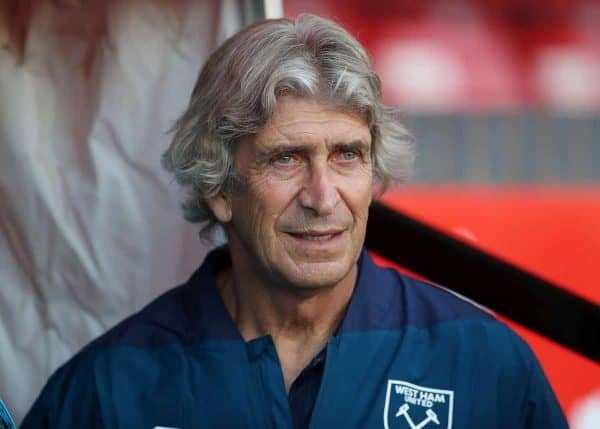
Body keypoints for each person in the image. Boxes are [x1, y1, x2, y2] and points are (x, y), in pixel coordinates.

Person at [22, 14, 568, 429]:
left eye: (348, 155)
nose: (322, 196)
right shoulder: (110, 387)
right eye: (286, 158)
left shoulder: (481, 361)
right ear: (218, 189)